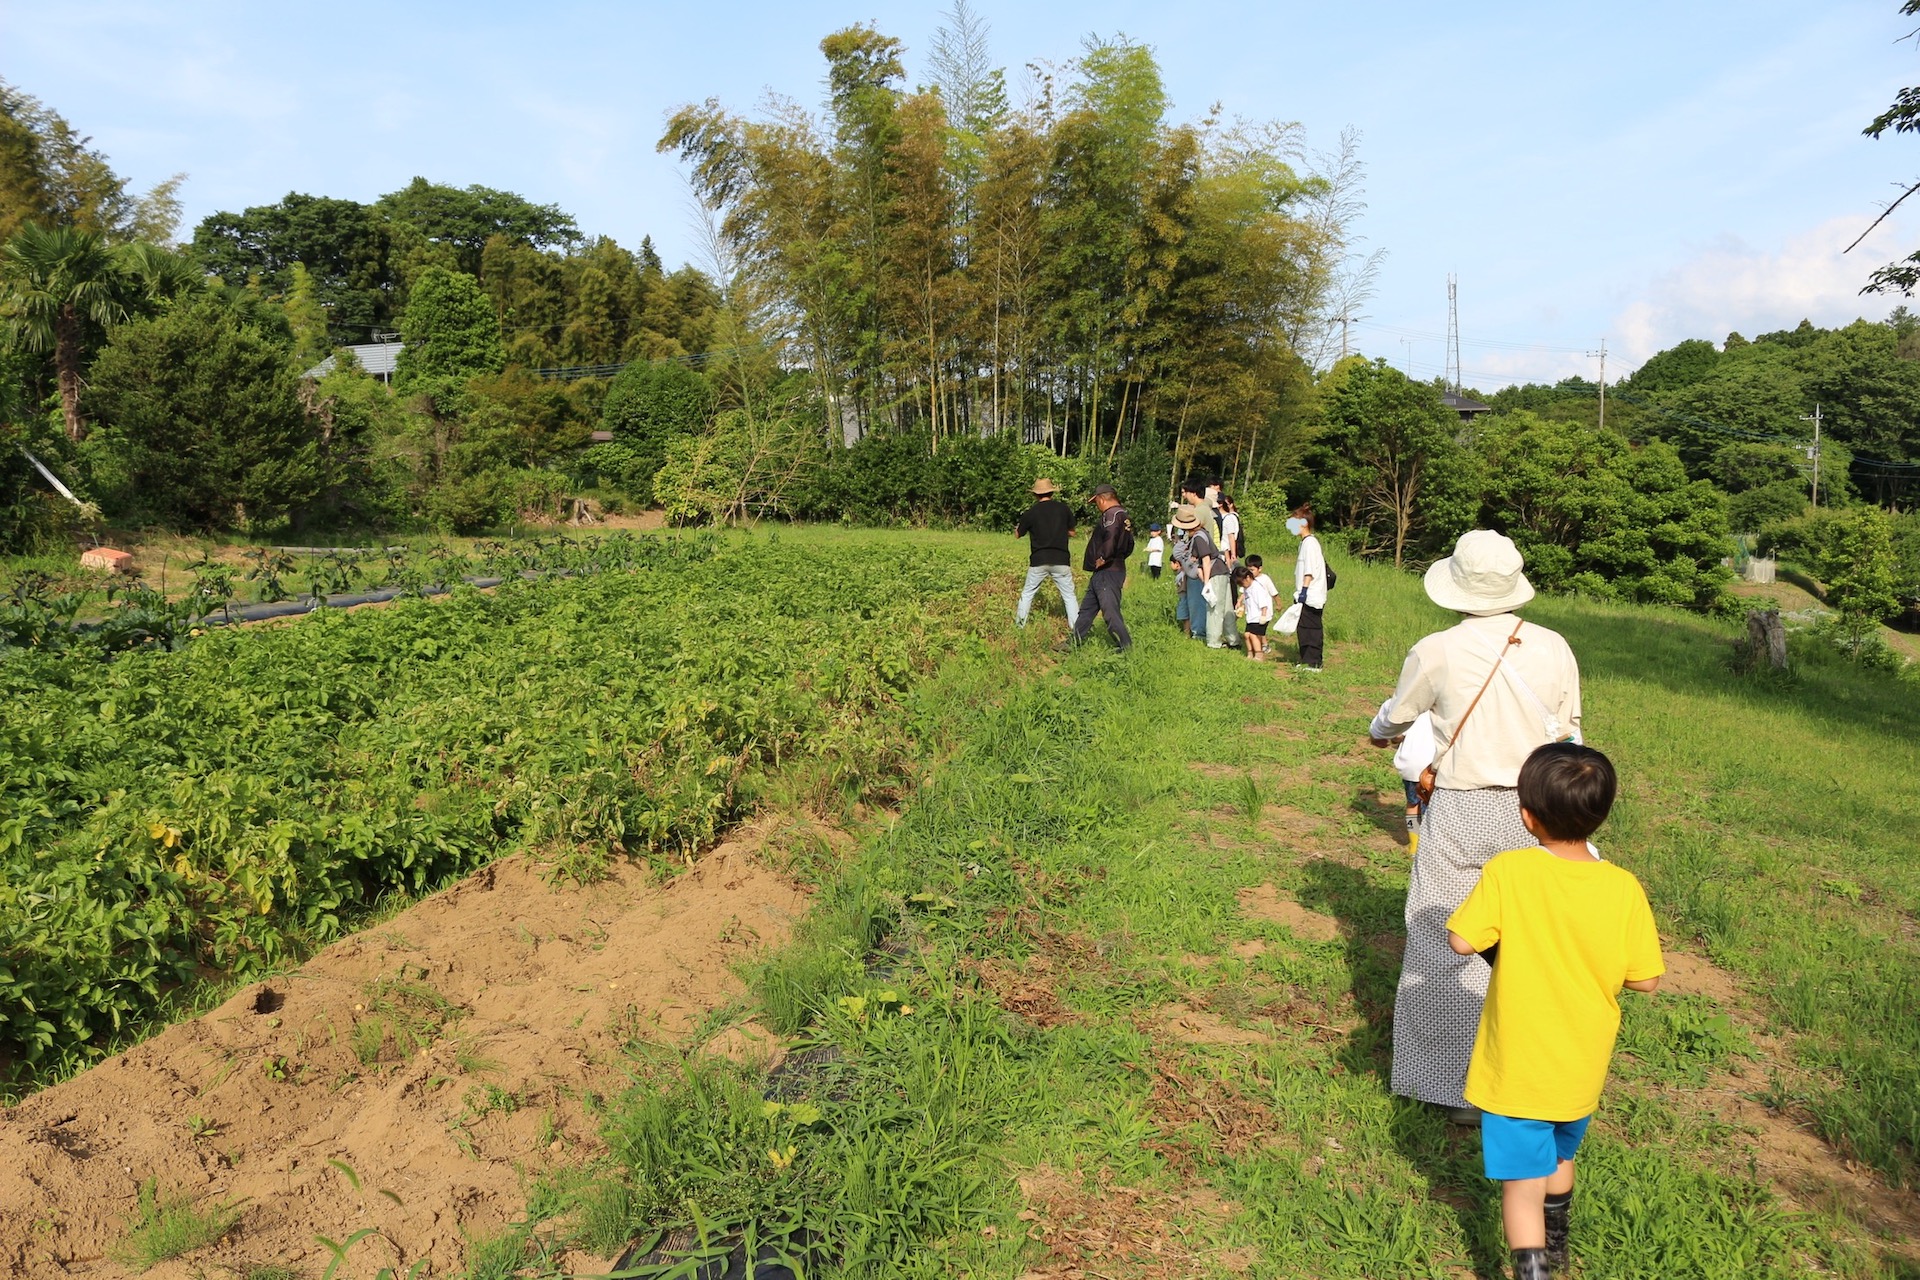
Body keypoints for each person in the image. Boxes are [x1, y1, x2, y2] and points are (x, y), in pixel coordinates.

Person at [1366, 529, 1584, 1124]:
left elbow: (1396, 717)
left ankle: (1449, 1084)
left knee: (1444, 935)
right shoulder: (1554, 646)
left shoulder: (1436, 648)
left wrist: (1378, 728)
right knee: (1527, 944)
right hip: (1540, 809)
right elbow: (1568, 729)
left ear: (1456, 587)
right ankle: (1526, 1078)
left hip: (1462, 805)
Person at [1446, 743, 1662, 1279]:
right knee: (1561, 1156)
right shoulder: (1623, 887)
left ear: (1526, 815)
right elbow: (1647, 978)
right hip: (1581, 1063)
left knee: (1521, 1187)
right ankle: (1559, 1244)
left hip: (1519, 1063)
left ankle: (1533, 1270)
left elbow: (1460, 941)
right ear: (1601, 813)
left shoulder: (1510, 871)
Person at [1068, 484, 1133, 651]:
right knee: (1087, 609)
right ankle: (1074, 641)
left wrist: (1104, 556)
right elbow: (1130, 544)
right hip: (1112, 569)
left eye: (1096, 502)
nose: (1097, 506)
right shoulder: (1123, 515)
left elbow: (1110, 537)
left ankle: (1126, 646)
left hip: (1107, 571)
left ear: (1102, 499)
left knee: (1110, 611)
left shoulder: (1110, 515)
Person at [1014, 477, 1078, 630]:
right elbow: (1072, 532)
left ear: (1035, 495)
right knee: (1069, 596)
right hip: (1061, 559)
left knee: (1028, 593)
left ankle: (1019, 626)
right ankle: (1076, 630)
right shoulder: (1063, 509)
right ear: (1052, 493)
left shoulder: (1030, 513)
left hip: (1039, 560)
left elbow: (1018, 535)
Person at [1287, 504, 1328, 670]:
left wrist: (1304, 591)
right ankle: (1306, 660)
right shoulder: (1304, 543)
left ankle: (1314, 662)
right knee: (1303, 628)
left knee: (1311, 628)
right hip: (1304, 594)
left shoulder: (1310, 543)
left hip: (1311, 594)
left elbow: (1309, 571)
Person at [1170, 504, 1209, 639]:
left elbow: (1205, 558)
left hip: (1198, 575)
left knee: (1198, 605)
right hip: (1192, 574)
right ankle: (1196, 631)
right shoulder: (1190, 537)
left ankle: (1199, 633)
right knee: (1193, 604)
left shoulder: (1199, 536)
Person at [1238, 560, 1276, 660]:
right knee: (1247, 635)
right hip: (1251, 616)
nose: (1242, 586)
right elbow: (1247, 600)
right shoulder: (1247, 588)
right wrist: (1241, 606)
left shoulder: (1256, 588)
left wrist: (1263, 616)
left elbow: (1263, 603)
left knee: (1253, 635)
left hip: (1259, 616)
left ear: (1248, 577)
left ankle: (1259, 654)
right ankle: (1250, 653)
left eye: (1242, 583)